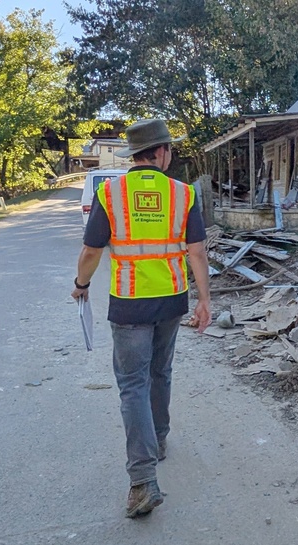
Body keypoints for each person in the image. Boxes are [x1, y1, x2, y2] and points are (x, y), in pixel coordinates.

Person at [71, 119, 211, 519]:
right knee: (160, 372)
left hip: (130, 303)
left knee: (133, 385)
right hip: (170, 300)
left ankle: (143, 480)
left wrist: (80, 284)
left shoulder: (111, 193)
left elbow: (91, 251)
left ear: (136, 155)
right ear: (162, 152)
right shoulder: (183, 194)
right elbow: (196, 252)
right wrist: (204, 300)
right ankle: (159, 439)